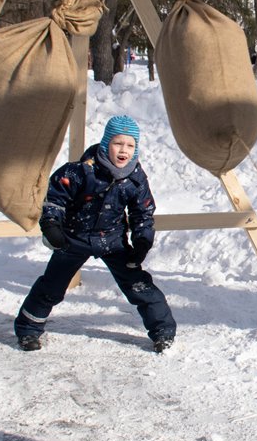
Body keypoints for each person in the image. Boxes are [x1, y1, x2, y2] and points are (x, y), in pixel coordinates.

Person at [14, 115, 177, 354]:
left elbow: (142, 212)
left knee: (139, 286)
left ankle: (163, 332)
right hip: (74, 238)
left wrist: (142, 241)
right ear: (106, 143)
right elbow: (55, 200)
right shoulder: (80, 171)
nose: (124, 150)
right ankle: (28, 330)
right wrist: (51, 225)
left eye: (130, 145)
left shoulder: (135, 178)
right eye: (118, 143)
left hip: (112, 241)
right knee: (52, 286)